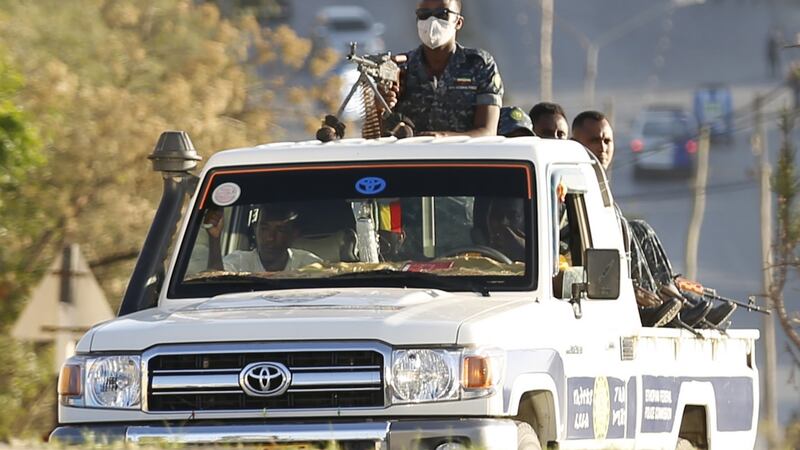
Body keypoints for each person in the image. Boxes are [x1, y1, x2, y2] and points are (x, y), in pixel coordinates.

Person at [381, 0, 503, 137]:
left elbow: (486, 132)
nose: (432, 20)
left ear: (458, 22)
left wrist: (441, 138)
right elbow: (380, 135)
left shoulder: (479, 65)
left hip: (466, 157)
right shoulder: (401, 68)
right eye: (424, 14)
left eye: (442, 14)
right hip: (412, 157)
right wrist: (381, 106)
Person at [205, 204, 322, 272]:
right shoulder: (240, 262)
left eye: (280, 230)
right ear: (255, 230)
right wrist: (214, 238)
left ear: (293, 235)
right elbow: (215, 277)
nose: (270, 238)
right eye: (264, 229)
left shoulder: (307, 264)